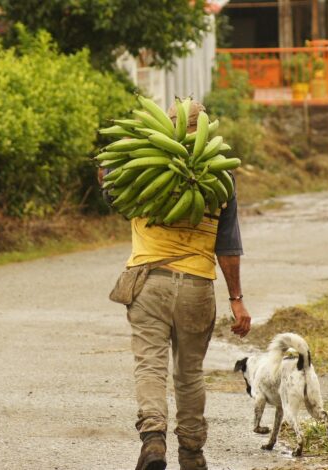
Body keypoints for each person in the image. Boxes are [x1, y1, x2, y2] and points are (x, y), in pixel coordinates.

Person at [101, 101, 251, 470]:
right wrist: (236, 299)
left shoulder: (141, 170)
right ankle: (192, 453)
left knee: (150, 366)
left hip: (148, 281)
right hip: (197, 286)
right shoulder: (220, 178)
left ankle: (153, 440)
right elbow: (228, 247)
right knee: (189, 373)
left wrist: (106, 162)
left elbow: (109, 193)